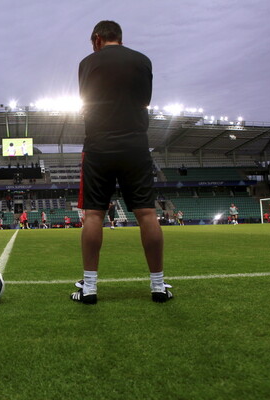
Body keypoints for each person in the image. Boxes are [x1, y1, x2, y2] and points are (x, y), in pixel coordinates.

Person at [71, 20, 172, 304]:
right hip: (135, 145)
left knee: (93, 215)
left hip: (99, 145)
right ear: (120, 38)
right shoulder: (143, 60)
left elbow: (86, 99)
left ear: (98, 38)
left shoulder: (87, 63)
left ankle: (89, 288)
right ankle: (158, 286)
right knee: (147, 214)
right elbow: (144, 102)